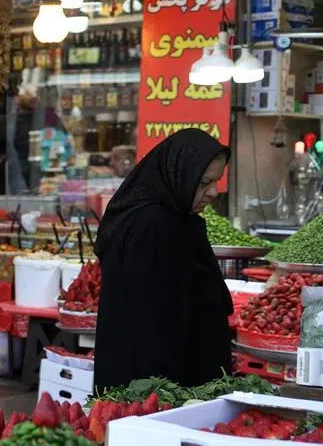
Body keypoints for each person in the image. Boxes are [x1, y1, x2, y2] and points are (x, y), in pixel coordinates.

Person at [93, 129, 232, 389]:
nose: (213, 192)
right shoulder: (153, 226)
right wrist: (165, 397)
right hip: (158, 390)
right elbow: (153, 323)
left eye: (217, 181)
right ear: (177, 174)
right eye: (203, 183)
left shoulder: (173, 219)